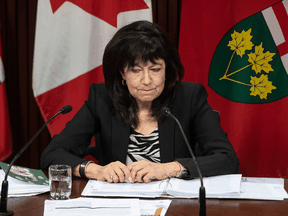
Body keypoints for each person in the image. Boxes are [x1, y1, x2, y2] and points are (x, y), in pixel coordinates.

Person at [41, 20, 239, 183]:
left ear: (167, 71)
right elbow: (52, 155)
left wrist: (170, 168)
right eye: (136, 70)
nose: (146, 80)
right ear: (122, 74)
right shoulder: (102, 99)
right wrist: (95, 171)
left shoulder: (189, 98)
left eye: (155, 69)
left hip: (175, 205)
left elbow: (227, 159)